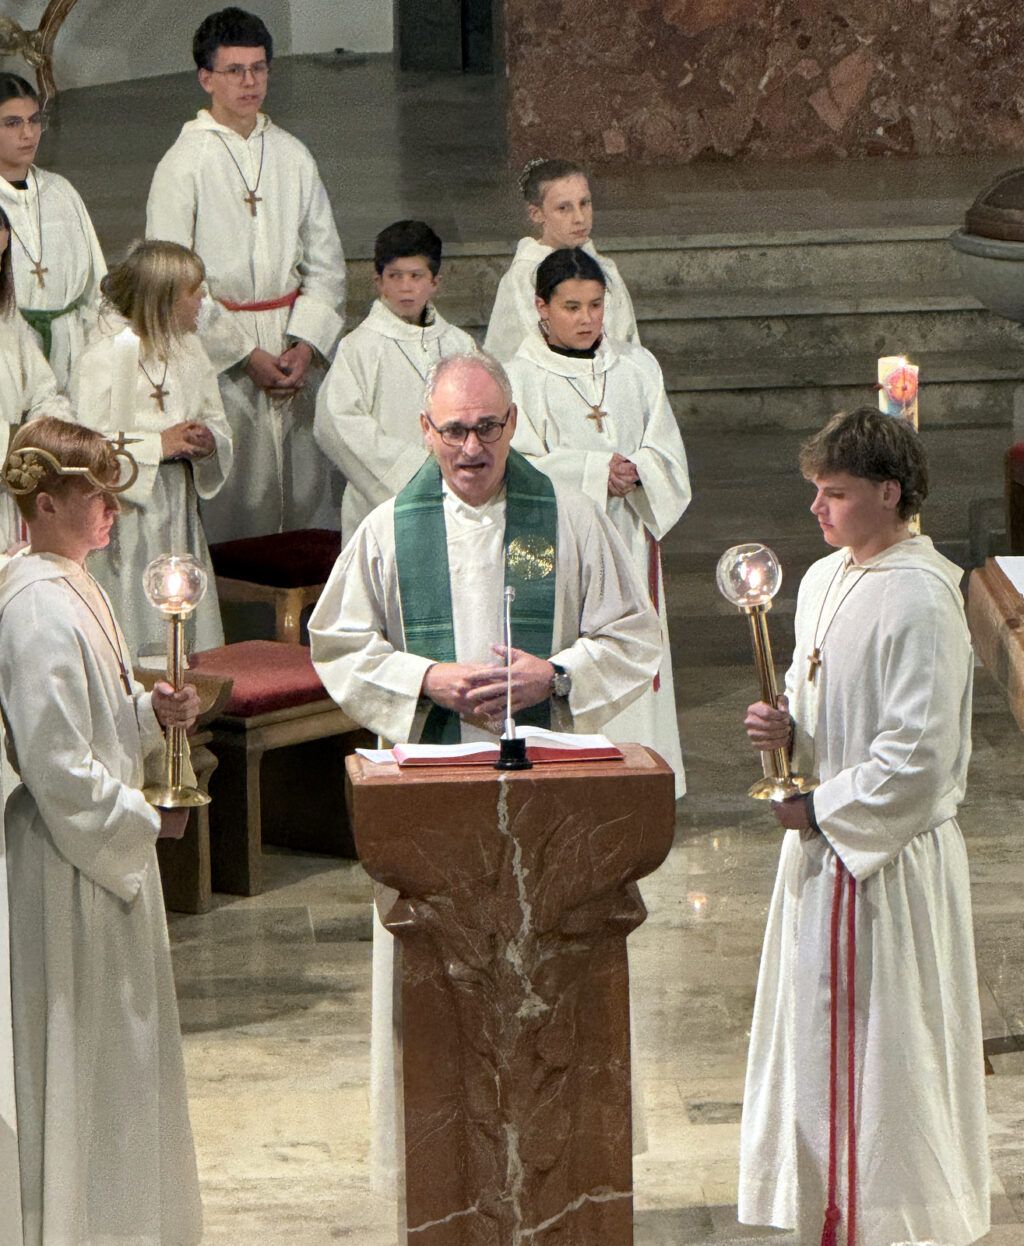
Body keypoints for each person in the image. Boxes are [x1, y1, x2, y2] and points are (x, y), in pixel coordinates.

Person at [308, 351, 662, 1193]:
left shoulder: (565, 517)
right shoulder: (391, 529)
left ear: (514, 425)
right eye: (455, 430)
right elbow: (339, 645)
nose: (473, 448)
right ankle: (446, 1173)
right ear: (425, 430)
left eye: (489, 428)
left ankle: (562, 1169)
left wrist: (557, 673)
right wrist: (425, 678)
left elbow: (633, 635)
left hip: (546, 782)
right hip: (433, 787)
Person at [739, 408, 990, 1246]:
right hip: (825, 854)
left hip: (886, 864)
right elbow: (820, 708)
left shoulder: (922, 596)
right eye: (816, 490)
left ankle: (892, 1222)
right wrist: (784, 732)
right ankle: (831, 1213)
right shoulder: (822, 578)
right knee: (821, 1044)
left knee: (887, 1055)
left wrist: (818, 807)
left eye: (836, 493)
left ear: (890, 493)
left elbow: (919, 754)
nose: (817, 508)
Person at [0, 416, 203, 1245]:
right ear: (45, 504)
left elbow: (94, 724)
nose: (114, 511)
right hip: (69, 862)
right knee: (86, 1048)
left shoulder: (74, 583)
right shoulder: (34, 607)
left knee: (121, 1050)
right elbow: (54, 763)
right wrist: (145, 819)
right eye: (97, 497)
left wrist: (150, 714)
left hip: (97, 852)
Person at [146, 6, 346, 543]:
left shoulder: (292, 155)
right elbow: (170, 280)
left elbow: (326, 263)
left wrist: (305, 344)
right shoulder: (182, 164)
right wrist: (245, 354)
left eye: (259, 68)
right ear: (205, 78)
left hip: (289, 344)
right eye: (234, 70)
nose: (249, 82)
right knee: (236, 501)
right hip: (220, 353)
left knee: (304, 493)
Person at [508, 246, 689, 796]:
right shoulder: (519, 377)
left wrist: (640, 469)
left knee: (635, 647)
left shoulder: (637, 366)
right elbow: (517, 465)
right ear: (541, 307)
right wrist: (592, 471)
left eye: (595, 305)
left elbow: (667, 449)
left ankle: (645, 781)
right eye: (571, 307)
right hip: (567, 547)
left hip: (631, 534)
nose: (587, 319)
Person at [70, 240, 233, 660]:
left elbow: (216, 420)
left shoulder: (190, 350)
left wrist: (208, 441)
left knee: (185, 628)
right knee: (136, 620)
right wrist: (159, 444)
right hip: (128, 518)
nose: (203, 300)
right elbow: (88, 448)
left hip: (178, 504)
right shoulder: (102, 358)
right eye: (194, 291)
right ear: (163, 298)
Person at [314, 219, 477, 544]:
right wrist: (411, 469)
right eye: (395, 276)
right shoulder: (360, 346)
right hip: (383, 503)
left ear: (435, 282)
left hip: (457, 493)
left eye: (416, 276)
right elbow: (334, 423)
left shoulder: (459, 344)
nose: (406, 287)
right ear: (379, 281)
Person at [0, 73, 107, 392]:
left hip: (71, 352)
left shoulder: (61, 192)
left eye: (34, 120)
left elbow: (96, 286)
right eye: (12, 123)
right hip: (10, 356)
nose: (28, 133)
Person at [483, 158, 639, 363]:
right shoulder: (524, 278)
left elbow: (628, 338)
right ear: (537, 213)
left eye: (584, 203)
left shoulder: (605, 269)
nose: (579, 218)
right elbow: (533, 352)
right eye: (564, 208)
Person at [0, 203, 69, 552]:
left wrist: (44, 438)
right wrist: (14, 443)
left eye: (1, 258)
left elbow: (45, 392)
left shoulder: (8, 322)